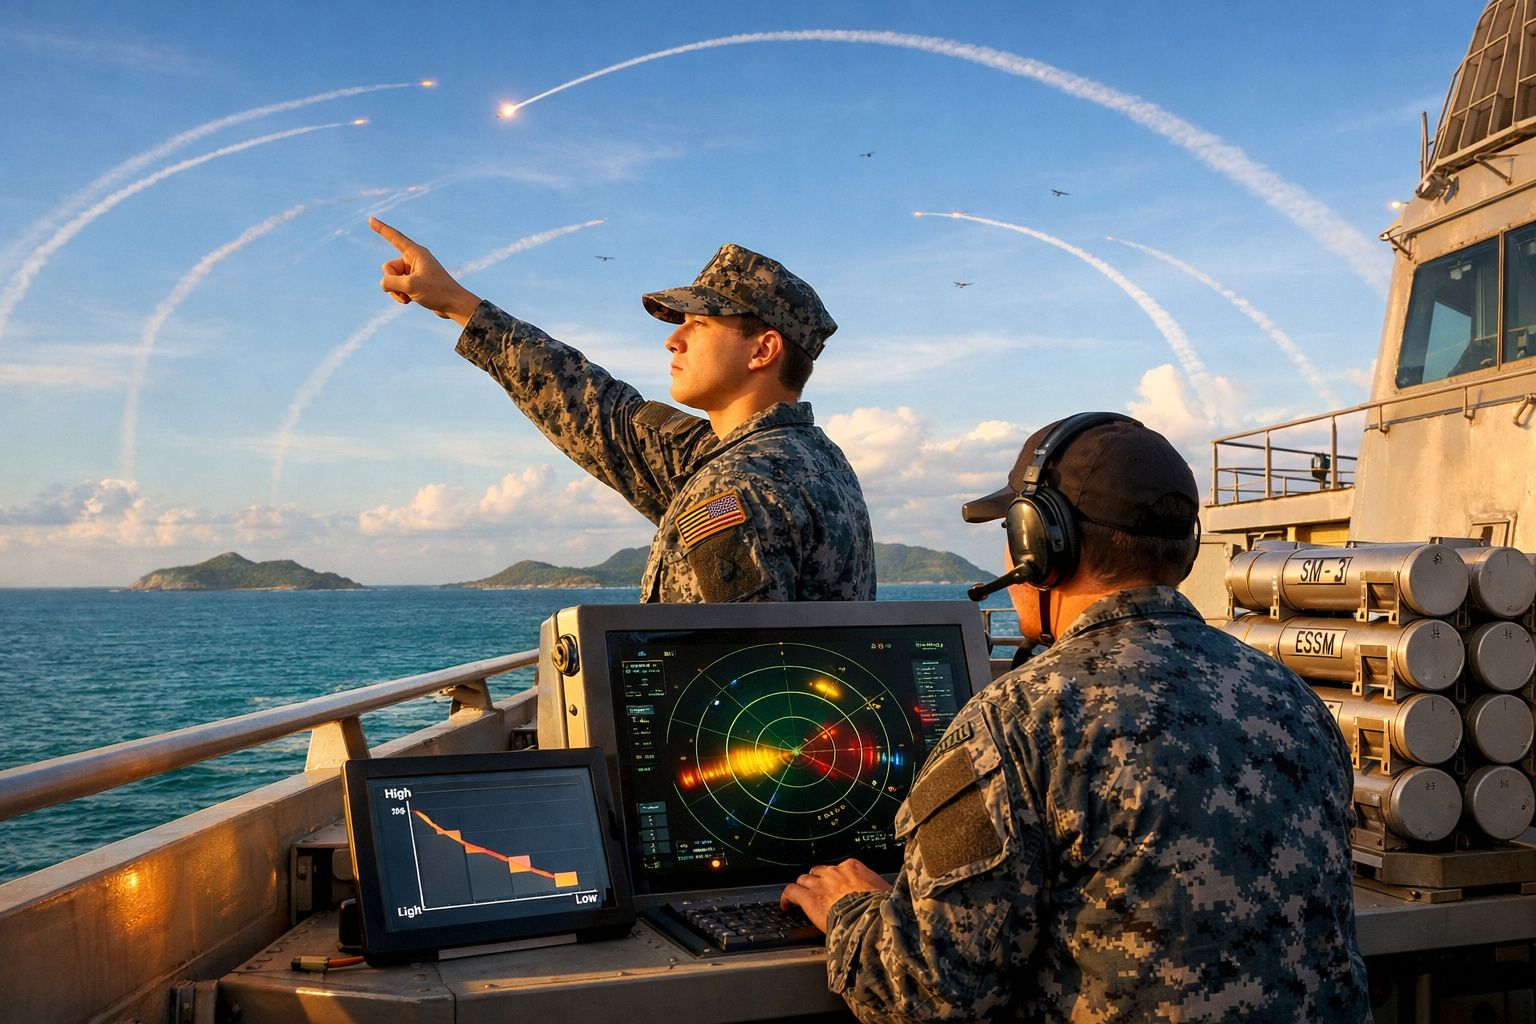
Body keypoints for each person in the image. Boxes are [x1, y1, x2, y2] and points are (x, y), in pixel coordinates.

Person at [781, 412, 1369, 1021]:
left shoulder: (1020, 718)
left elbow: (924, 995)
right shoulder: (1292, 698)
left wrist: (852, 910)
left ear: (1039, 545)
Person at [370, 218, 875, 603]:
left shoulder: (738, 484)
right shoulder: (805, 459)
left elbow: (723, 688)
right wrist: (457, 303)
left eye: (698, 325)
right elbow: (598, 411)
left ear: (762, 351)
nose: (673, 340)